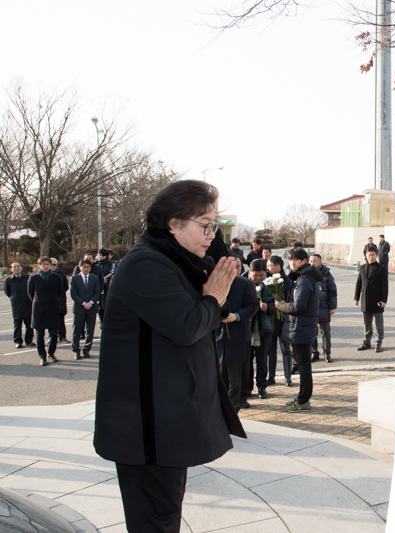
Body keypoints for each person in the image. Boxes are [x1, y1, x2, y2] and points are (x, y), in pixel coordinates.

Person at [94, 180, 244, 532]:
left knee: (164, 515)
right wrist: (214, 298)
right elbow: (187, 325)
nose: (212, 233)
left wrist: (214, 292)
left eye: (215, 224)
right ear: (173, 224)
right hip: (145, 429)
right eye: (205, 225)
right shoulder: (147, 264)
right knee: (155, 520)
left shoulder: (178, 257)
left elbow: (222, 264)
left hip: (165, 419)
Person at [276, 247, 322, 412]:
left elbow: (298, 307)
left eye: (296, 259)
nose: (292, 263)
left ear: (304, 261)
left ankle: (303, 400)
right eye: (290, 260)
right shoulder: (304, 278)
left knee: (303, 366)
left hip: (301, 328)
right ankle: (303, 398)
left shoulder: (304, 280)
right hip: (301, 327)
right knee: (303, 365)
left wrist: (282, 306)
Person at [219, 256, 259, 412]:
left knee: (236, 375)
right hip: (216, 335)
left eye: (234, 268)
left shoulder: (243, 284)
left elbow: (252, 305)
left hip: (237, 333)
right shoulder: (213, 284)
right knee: (220, 374)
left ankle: (234, 406)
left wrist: (236, 316)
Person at [247, 259, 277, 399]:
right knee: (246, 359)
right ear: (249, 272)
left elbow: (277, 305)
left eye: (261, 275)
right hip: (247, 327)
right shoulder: (242, 281)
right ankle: (247, 386)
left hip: (264, 327)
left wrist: (268, 307)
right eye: (255, 275)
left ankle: (262, 386)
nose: (258, 278)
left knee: (262, 360)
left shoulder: (273, 283)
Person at [28, 257, 65, 366]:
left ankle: (51, 353)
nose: (46, 266)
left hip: (53, 308)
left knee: (53, 334)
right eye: (43, 264)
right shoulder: (34, 278)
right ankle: (42, 356)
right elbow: (31, 294)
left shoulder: (56, 277)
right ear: (39, 266)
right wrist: (40, 302)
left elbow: (60, 292)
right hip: (39, 309)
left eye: (48, 264)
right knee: (40, 335)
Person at [355, 244, 388, 352]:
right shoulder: (363, 267)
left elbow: (385, 286)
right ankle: (366, 342)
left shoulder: (381, 268)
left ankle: (379, 342)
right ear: (366, 255)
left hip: (377, 300)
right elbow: (359, 283)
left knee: (378, 323)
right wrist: (356, 297)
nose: (371, 257)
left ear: (377, 255)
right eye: (369, 255)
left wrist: (384, 300)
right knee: (366, 323)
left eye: (373, 255)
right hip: (365, 300)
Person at [267, 255, 294, 386]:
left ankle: (287, 377)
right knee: (271, 350)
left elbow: (291, 300)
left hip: (283, 320)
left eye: (270, 265)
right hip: (271, 319)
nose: (268, 267)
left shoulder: (287, 281)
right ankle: (271, 376)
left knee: (286, 349)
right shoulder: (268, 279)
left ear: (278, 267)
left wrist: (283, 304)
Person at [70, 259, 101, 359]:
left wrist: (91, 302)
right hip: (79, 308)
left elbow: (97, 292)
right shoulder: (74, 278)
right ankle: (76, 350)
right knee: (77, 330)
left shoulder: (94, 278)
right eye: (84, 266)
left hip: (91, 307)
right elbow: (73, 294)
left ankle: (87, 350)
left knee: (90, 330)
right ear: (80, 267)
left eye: (88, 267)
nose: (86, 268)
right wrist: (83, 303)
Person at [310, 253, 337, 363]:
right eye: (310, 261)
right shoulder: (306, 274)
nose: (312, 263)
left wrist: (332, 306)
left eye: (314, 261)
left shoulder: (327, 275)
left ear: (320, 262)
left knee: (325, 332)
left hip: (324, 307)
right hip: (311, 308)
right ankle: (314, 352)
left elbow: (333, 291)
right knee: (312, 332)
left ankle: (327, 353)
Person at [4, 262, 34, 348]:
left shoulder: (28, 278)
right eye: (14, 267)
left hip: (27, 304)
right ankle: (18, 341)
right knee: (17, 325)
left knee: (29, 324)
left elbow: (32, 290)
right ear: (11, 269)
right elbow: (8, 292)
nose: (16, 268)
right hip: (16, 305)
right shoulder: (8, 280)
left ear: (21, 268)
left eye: (18, 267)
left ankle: (29, 340)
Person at [51, 258, 70, 343]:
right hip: (49, 300)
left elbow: (66, 286)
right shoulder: (43, 275)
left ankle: (62, 337)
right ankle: (52, 337)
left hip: (60, 299)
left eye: (54, 264)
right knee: (50, 321)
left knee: (61, 320)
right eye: (50, 264)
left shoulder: (61, 275)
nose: (52, 266)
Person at [97, 248, 116, 326]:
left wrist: (105, 278)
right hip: (99, 286)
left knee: (107, 303)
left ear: (105, 256)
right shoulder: (97, 264)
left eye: (100, 255)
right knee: (99, 304)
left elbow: (112, 272)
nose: (99, 256)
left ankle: (107, 320)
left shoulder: (111, 263)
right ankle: (101, 320)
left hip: (107, 287)